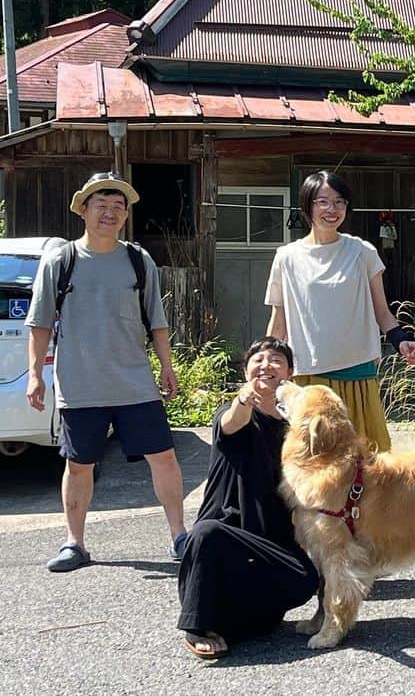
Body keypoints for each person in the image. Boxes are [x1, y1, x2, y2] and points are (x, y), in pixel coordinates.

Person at [26, 171, 188, 572]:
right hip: (80, 384)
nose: (110, 213)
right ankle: (75, 543)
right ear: (83, 209)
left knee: (163, 457)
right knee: (79, 464)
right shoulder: (60, 260)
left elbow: (157, 321)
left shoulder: (138, 260)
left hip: (135, 381)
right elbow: (40, 322)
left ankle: (181, 536)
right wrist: (34, 374)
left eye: (119, 207)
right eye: (101, 205)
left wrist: (167, 366)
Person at [177, 337, 319, 659]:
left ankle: (231, 622)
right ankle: (197, 625)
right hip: (224, 534)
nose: (266, 365)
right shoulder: (232, 414)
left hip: (270, 541)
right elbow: (232, 422)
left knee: (305, 579)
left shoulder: (295, 431)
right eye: (258, 359)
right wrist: (243, 399)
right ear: (246, 372)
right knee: (205, 532)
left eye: (276, 360)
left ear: (290, 374)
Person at [265, 170, 415, 453]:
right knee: (314, 463)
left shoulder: (362, 252)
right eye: (323, 201)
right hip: (308, 377)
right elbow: (279, 323)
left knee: (369, 464)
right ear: (307, 205)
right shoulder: (287, 257)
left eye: (339, 202)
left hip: (358, 373)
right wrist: (266, 366)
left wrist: (402, 340)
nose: (332, 209)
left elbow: (382, 312)